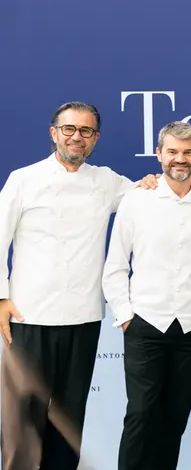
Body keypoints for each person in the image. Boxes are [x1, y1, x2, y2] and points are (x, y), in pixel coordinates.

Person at [0, 102, 135, 470]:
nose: (77, 137)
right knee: (23, 420)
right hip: (29, 315)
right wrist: (1, 297)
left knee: (69, 417)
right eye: (70, 129)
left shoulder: (106, 181)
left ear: (95, 138)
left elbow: (148, 197)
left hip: (83, 315)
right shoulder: (23, 179)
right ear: (53, 133)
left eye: (86, 131)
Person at [102, 121, 191, 470]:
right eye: (172, 151)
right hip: (145, 323)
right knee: (141, 414)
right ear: (159, 154)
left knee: (175, 418)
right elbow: (115, 265)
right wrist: (126, 316)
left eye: (188, 152)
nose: (180, 159)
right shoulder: (137, 199)